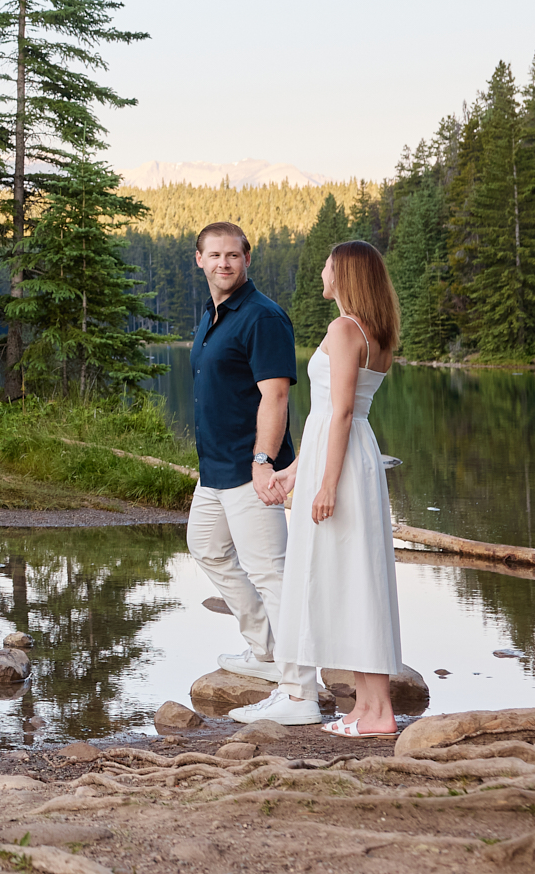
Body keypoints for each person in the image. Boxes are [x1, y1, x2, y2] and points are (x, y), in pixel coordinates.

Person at [232, 241, 407, 734]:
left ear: (345, 274)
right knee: (355, 578)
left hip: (345, 464)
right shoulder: (374, 331)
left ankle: (378, 712)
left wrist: (326, 484)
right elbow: (333, 416)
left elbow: (342, 413)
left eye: (328, 267)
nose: (322, 274)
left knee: (353, 580)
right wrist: (296, 472)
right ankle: (368, 707)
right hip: (351, 456)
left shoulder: (345, 329)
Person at [184, 221, 321, 720]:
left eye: (233, 255)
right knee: (206, 546)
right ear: (199, 259)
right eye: (214, 255)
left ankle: (300, 692)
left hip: (250, 467)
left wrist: (264, 463)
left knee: (271, 573)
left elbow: (276, 395)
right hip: (214, 469)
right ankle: (265, 649)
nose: (224, 263)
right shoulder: (212, 313)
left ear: (247, 260)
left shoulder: (262, 317)